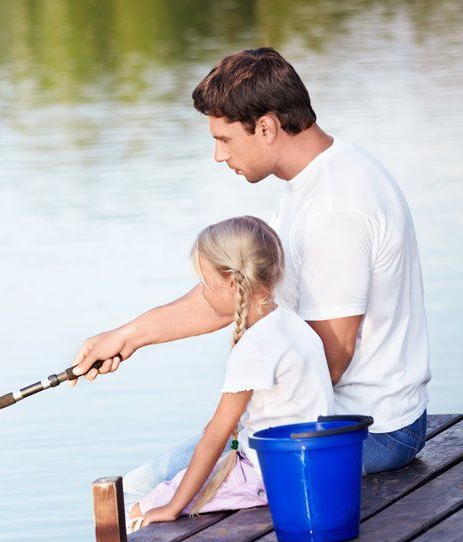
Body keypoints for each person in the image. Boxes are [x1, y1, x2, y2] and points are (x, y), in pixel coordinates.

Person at [71, 47, 430, 506]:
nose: (219, 156)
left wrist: (233, 423)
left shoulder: (335, 209)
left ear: (266, 127)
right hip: (334, 415)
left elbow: (329, 359)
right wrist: (128, 336)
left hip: (368, 430)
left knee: (135, 495)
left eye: (224, 139)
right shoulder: (317, 179)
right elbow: (234, 293)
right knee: (149, 486)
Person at [125, 215, 334, 542]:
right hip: (308, 472)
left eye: (203, 282)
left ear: (229, 282)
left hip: (268, 479)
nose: (202, 292)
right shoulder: (294, 327)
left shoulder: (254, 348)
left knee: (140, 515)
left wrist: (174, 506)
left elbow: (216, 435)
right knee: (168, 518)